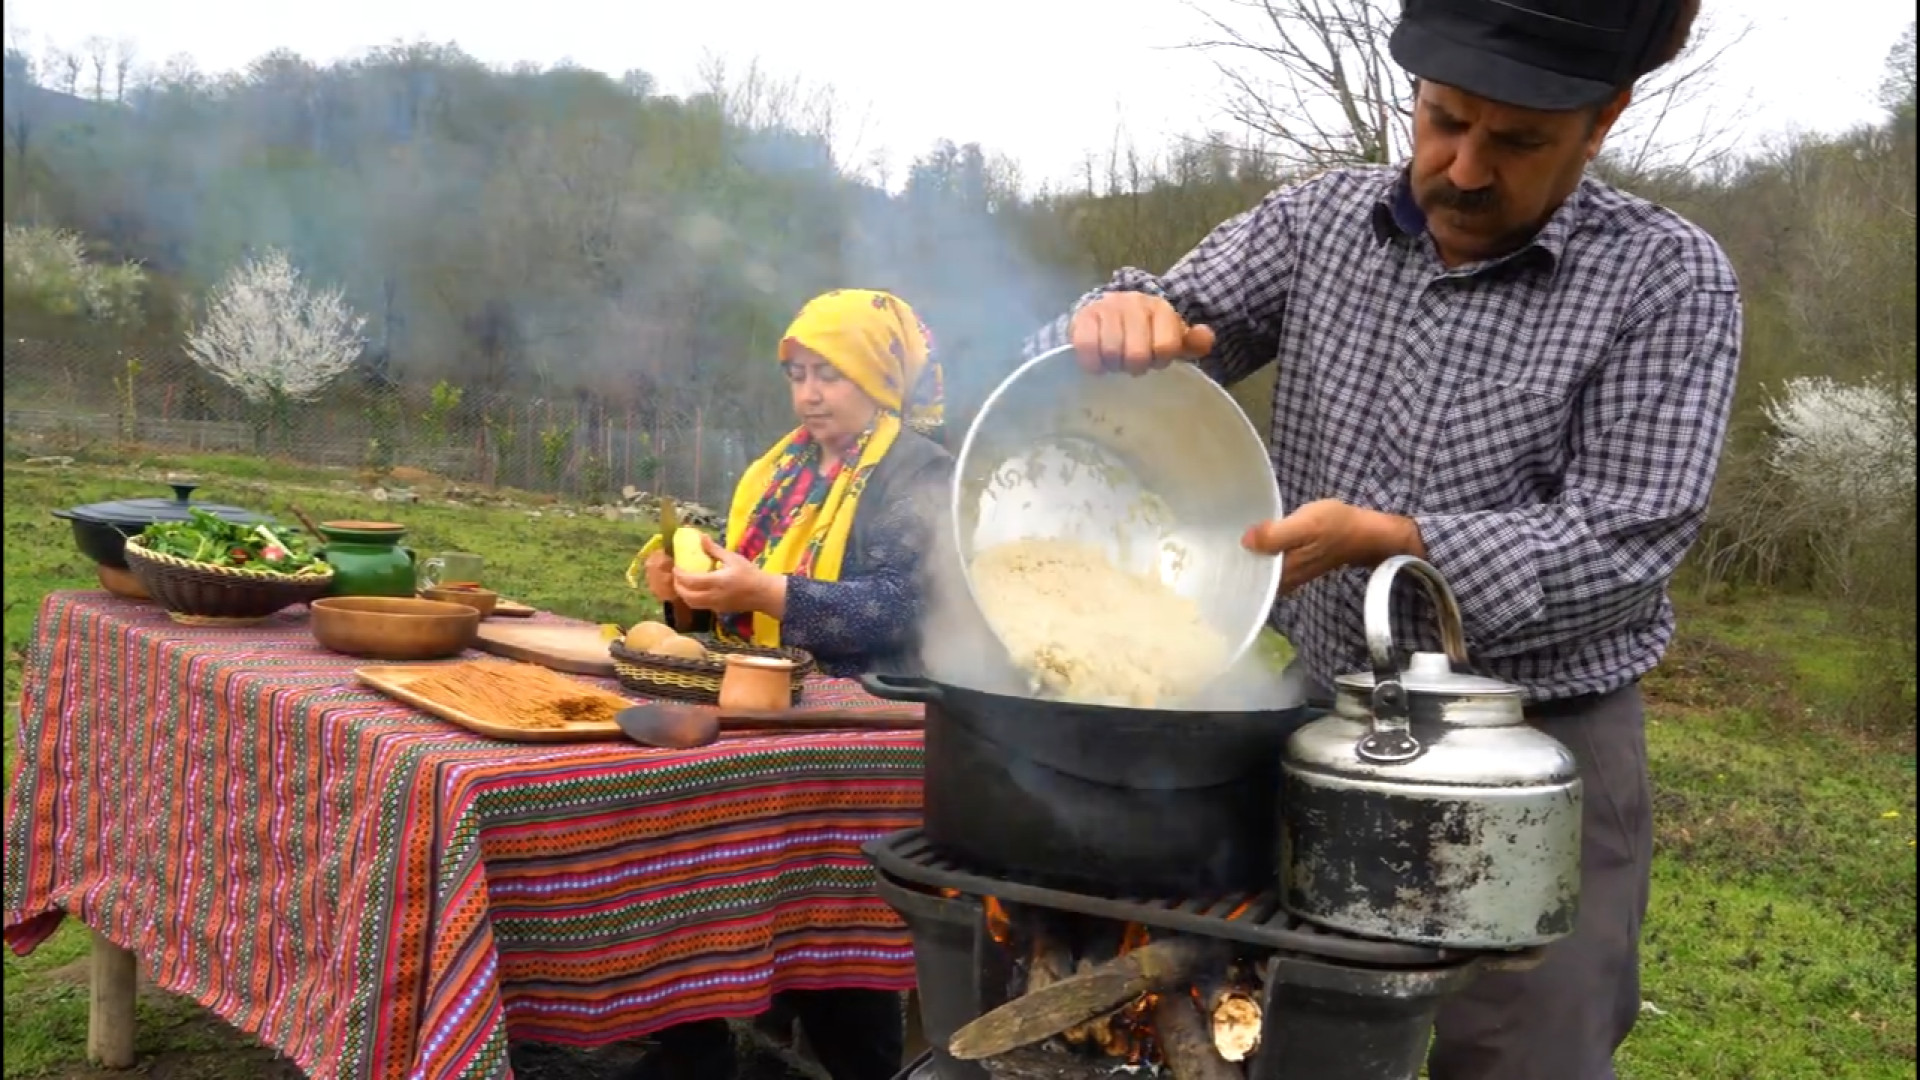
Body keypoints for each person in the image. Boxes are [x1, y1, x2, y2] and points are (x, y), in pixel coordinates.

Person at [1030, 1, 1741, 1077]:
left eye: (1515, 142)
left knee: (1523, 1054)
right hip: (1325, 732)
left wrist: (1395, 541)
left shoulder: (1668, 280)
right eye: (1443, 119)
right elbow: (1153, 321)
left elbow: (1623, 541)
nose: (1459, 169)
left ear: (1602, 122)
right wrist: (1118, 317)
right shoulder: (1317, 224)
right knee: (1302, 1037)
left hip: (1534, 751)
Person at [631, 288, 950, 1080]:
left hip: (870, 747)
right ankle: (704, 1048)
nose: (808, 393)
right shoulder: (783, 472)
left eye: (830, 375)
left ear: (879, 380)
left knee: (839, 945)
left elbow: (906, 606)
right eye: (798, 373)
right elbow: (734, 630)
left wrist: (768, 592)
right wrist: (689, 593)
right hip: (773, 727)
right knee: (713, 898)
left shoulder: (920, 472)